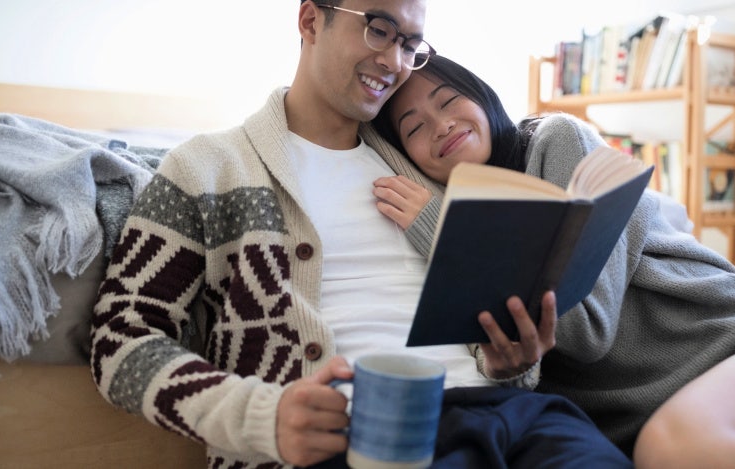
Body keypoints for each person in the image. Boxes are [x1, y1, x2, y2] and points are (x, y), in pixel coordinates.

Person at [89, 2, 632, 468]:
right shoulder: (207, 169)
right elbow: (120, 341)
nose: (395, 62)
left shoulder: (425, 164)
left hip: (518, 418)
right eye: (378, 27)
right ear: (310, 19)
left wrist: (509, 363)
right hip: (360, 435)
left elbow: (489, 324)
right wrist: (263, 415)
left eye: (411, 42)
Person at [369, 54, 735, 468]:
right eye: (414, 128)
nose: (442, 125)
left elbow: (588, 328)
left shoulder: (553, 141)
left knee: (672, 445)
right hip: (655, 425)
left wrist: (439, 230)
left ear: (482, 95)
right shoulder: (445, 254)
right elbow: (520, 372)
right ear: (407, 157)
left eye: (450, 101)